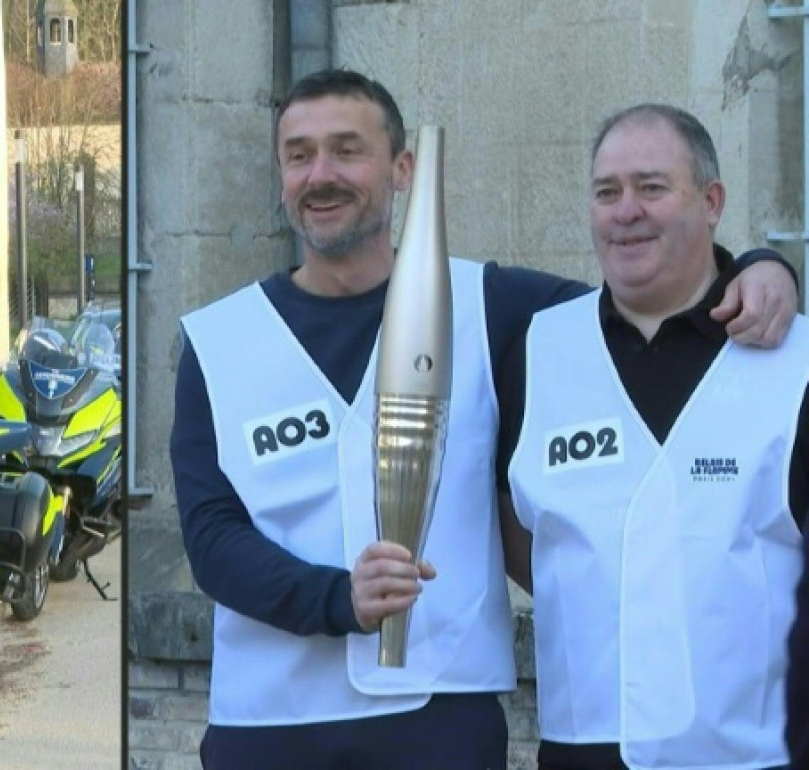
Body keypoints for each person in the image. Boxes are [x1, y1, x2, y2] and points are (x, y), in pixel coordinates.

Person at [170, 69, 798, 769]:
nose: (322, 175)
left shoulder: (495, 306)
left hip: (441, 720)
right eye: (299, 154)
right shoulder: (218, 341)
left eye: (348, 150)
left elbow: (649, 289)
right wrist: (334, 598)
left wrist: (761, 266)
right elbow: (210, 536)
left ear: (403, 168)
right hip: (268, 723)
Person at [494, 105, 808, 770]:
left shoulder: (795, 360)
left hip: (753, 757)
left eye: (652, 187)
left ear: (712, 201)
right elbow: (525, 542)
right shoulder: (537, 347)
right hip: (583, 750)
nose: (625, 210)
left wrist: (770, 264)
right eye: (607, 192)